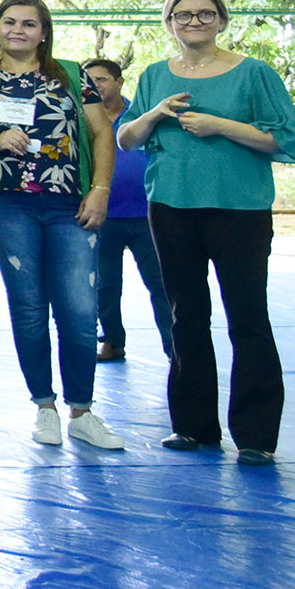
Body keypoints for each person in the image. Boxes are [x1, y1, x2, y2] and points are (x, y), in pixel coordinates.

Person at [118, 0, 295, 465]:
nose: (194, 22)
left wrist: (219, 125)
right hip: (171, 206)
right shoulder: (155, 75)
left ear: (222, 20)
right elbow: (126, 138)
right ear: (169, 23)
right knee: (185, 315)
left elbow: (285, 139)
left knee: (248, 316)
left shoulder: (254, 73)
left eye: (205, 14)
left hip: (238, 209)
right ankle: (193, 426)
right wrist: (155, 113)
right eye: (183, 15)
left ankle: (256, 435)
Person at [0, 0, 123, 450]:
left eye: (29, 24)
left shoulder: (72, 76)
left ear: (44, 32)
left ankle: (82, 411)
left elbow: (101, 133)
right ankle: (45, 408)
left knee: (79, 308)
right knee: (29, 306)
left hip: (70, 203)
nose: (18, 30)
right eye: (9, 22)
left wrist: (100, 189)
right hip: (7, 205)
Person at [82, 58, 173, 362]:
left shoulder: (140, 116)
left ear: (119, 82)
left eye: (102, 79)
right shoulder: (82, 119)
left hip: (148, 215)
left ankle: (175, 348)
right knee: (105, 285)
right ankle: (111, 341)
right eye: (89, 80)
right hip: (102, 217)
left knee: (162, 284)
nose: (95, 85)